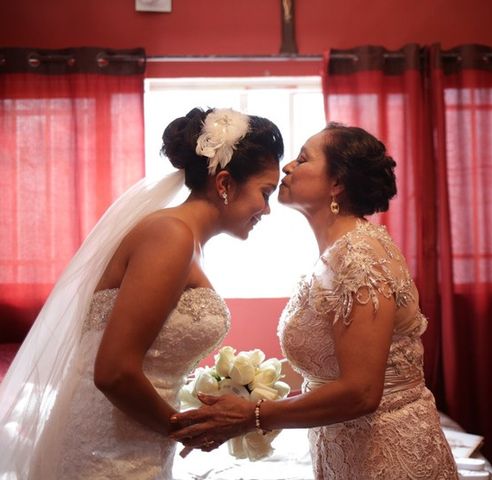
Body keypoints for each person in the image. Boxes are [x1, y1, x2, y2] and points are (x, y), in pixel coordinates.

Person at [0, 107, 284, 479]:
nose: (266, 209)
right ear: (225, 184)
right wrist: (188, 429)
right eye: (265, 192)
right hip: (108, 452)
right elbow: (114, 371)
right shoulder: (170, 235)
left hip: (135, 441)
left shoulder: (185, 240)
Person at [171, 123, 457, 479]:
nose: (288, 167)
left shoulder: (360, 256)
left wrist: (253, 415)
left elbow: (362, 392)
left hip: (388, 453)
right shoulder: (335, 255)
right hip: (345, 448)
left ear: (336, 183)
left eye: (303, 159)